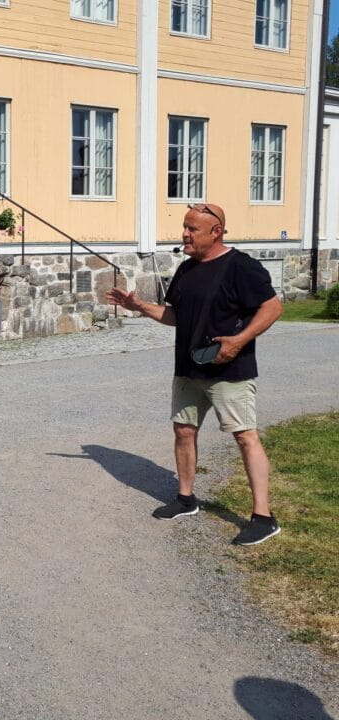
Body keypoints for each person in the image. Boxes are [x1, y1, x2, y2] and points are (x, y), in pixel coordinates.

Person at [106, 202, 284, 546]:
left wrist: (239, 341)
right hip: (188, 368)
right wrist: (139, 306)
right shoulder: (187, 269)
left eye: (192, 229)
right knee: (184, 431)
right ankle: (186, 499)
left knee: (245, 437)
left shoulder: (241, 267)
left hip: (229, 369)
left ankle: (264, 517)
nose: (184, 234)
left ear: (216, 232)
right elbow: (176, 316)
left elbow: (273, 307)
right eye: (184, 227)